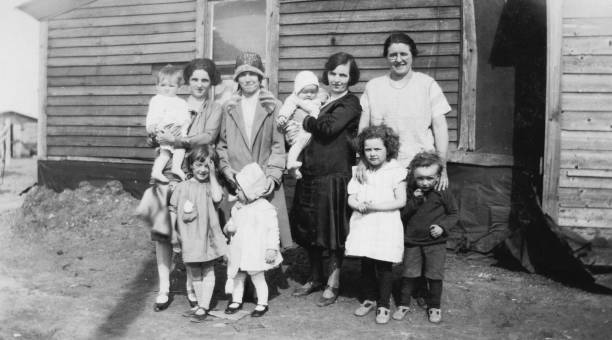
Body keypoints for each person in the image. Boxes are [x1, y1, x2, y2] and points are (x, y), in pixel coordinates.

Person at [143, 58, 224, 312]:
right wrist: (154, 136)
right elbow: (152, 137)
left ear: (211, 83)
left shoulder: (214, 108)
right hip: (164, 172)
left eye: (205, 80)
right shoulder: (172, 102)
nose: (199, 85)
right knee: (162, 233)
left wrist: (177, 141)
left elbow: (208, 137)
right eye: (195, 79)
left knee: (192, 234)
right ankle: (165, 288)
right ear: (186, 81)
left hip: (194, 177)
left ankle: (192, 287)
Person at [288, 52, 362, 306]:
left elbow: (328, 129)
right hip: (310, 173)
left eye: (343, 74)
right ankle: (315, 277)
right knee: (309, 229)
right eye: (333, 73)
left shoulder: (350, 104)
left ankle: (334, 281)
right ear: (327, 74)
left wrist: (303, 119)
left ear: (351, 77)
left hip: (334, 175)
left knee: (332, 232)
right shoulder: (322, 99)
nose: (338, 79)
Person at [217, 51, 293, 249]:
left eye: (252, 74)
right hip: (237, 179)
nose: (248, 79)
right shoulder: (228, 107)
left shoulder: (273, 106)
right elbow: (222, 145)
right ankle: (241, 278)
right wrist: (227, 170)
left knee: (263, 233)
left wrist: (273, 175)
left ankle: (260, 277)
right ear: (236, 78)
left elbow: (278, 145)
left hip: (263, 175)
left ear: (260, 77)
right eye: (242, 74)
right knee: (239, 233)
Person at [359, 31, 452, 190]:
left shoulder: (427, 84)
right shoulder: (373, 87)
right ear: (386, 57)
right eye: (393, 55)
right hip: (383, 168)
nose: (399, 59)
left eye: (404, 54)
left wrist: (442, 168)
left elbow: (440, 128)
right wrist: (361, 160)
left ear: (412, 55)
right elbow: (364, 129)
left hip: (421, 168)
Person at [346, 125, 407, 324]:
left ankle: (383, 304)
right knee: (366, 261)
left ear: (388, 148)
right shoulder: (361, 171)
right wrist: (357, 204)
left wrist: (375, 207)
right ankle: (369, 298)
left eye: (377, 149)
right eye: (368, 150)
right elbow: (351, 197)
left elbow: (401, 201)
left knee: (384, 264)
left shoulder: (396, 171)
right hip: (364, 222)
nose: (372, 154)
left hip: (385, 222)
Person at [394, 151, 458, 324]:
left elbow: (453, 214)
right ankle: (403, 304)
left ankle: (435, 306)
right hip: (412, 242)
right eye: (420, 178)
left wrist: (442, 227)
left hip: (435, 242)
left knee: (434, 275)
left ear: (438, 176)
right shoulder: (409, 191)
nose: (424, 183)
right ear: (413, 175)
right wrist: (414, 201)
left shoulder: (442, 191)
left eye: (430, 178)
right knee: (409, 273)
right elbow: (402, 215)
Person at [169, 146, 227, 323]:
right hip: (190, 237)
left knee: (208, 269)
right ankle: (201, 303)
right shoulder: (181, 187)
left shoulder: (211, 186)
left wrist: (212, 175)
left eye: (207, 166)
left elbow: (218, 198)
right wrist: (172, 232)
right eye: (198, 165)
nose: (202, 169)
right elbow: (172, 210)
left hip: (208, 236)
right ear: (191, 166)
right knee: (194, 270)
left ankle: (203, 306)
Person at [223, 163, 283, 317]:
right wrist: (229, 227)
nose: (236, 191)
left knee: (258, 276)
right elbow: (233, 222)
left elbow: (273, 229)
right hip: (239, 249)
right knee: (237, 275)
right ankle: (236, 300)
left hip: (255, 249)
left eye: (239, 189)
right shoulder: (238, 206)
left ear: (250, 190)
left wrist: (272, 248)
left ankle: (262, 303)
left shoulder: (264, 207)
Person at [277, 70, 328, 179]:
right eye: (305, 92)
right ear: (298, 90)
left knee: (302, 149)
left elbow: (324, 96)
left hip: (307, 129)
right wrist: (283, 117)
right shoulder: (294, 99)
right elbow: (287, 108)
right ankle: (290, 161)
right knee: (301, 141)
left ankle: (293, 169)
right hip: (296, 128)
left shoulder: (317, 99)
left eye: (313, 92)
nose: (309, 95)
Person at [145, 64, 191, 182]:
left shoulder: (181, 102)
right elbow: (152, 116)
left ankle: (176, 168)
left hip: (177, 132)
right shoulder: (156, 100)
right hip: (163, 130)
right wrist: (152, 127)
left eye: (171, 86)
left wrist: (180, 125)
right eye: (163, 85)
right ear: (157, 86)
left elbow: (186, 117)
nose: (166, 88)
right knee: (164, 154)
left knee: (180, 148)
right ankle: (156, 171)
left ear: (178, 87)